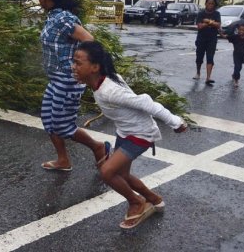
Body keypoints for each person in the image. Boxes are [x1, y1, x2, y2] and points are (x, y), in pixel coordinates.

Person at [72, 41, 187, 229]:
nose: (74, 66)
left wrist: (176, 122)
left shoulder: (110, 91)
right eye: (74, 62)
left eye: (78, 63)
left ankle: (136, 202)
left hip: (140, 134)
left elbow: (146, 103)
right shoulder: (101, 80)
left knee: (107, 172)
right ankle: (153, 199)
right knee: (121, 175)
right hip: (125, 131)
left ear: (94, 67)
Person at [38, 0, 111, 171]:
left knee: (62, 125)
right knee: (48, 119)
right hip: (55, 79)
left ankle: (98, 148)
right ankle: (63, 160)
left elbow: (90, 39)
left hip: (68, 80)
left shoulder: (64, 19)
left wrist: (81, 66)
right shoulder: (54, 16)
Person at [194, 0, 221, 85]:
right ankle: (198, 72)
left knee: (210, 57)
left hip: (212, 39)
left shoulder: (217, 14)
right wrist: (212, 22)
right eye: (209, 3)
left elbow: (218, 25)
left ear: (214, 5)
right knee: (199, 57)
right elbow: (199, 26)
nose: (210, 5)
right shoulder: (201, 13)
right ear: (205, 4)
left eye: (212, 4)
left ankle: (208, 77)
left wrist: (207, 21)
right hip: (201, 38)